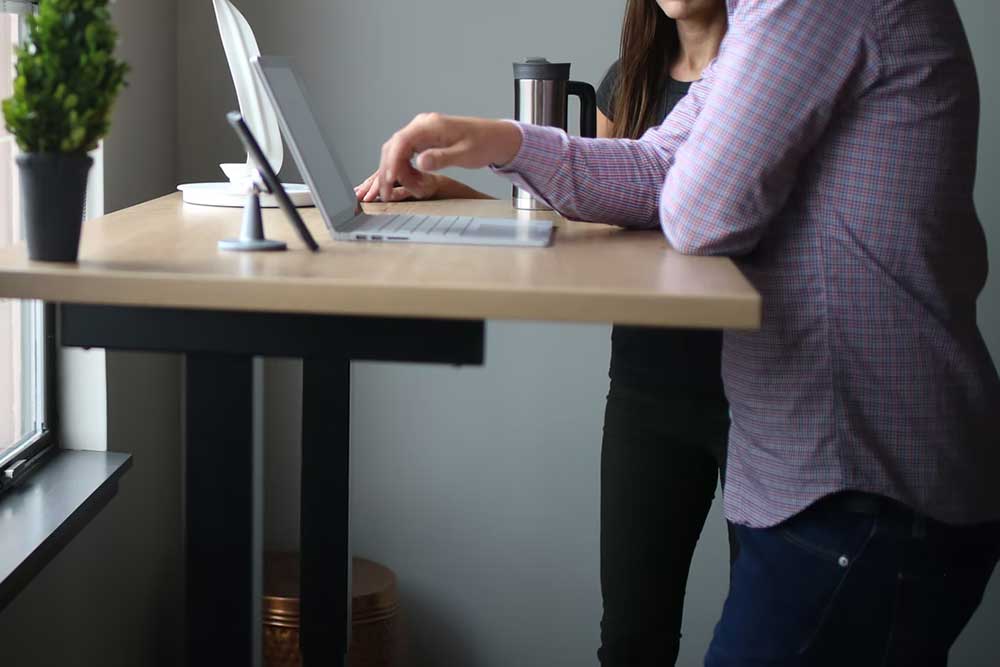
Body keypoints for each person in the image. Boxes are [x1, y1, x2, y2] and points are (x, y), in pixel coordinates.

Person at [369, 0, 1000, 664]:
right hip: (832, 476)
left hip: (861, 483)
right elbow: (656, 163)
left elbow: (700, 211)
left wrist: (677, 179)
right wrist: (500, 141)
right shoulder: (762, 22)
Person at [358, 3, 733, 664]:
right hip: (647, 385)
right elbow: (577, 223)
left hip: (755, 390)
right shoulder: (629, 82)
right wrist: (450, 192)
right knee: (631, 639)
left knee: (762, 634)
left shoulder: (764, 75)